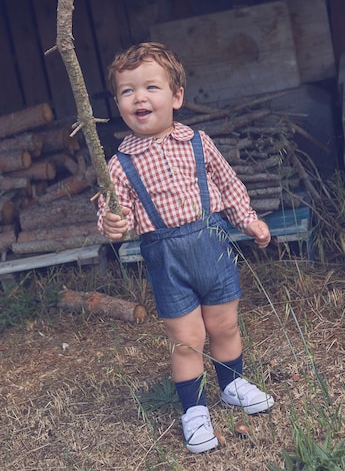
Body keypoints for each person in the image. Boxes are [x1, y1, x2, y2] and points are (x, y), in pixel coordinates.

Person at [97, 42, 274, 454]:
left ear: (176, 97)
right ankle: (194, 409)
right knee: (188, 338)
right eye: (127, 91)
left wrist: (249, 219)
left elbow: (229, 185)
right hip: (167, 261)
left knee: (224, 326)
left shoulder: (198, 142)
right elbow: (113, 215)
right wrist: (112, 223)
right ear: (118, 104)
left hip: (213, 247)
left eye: (151, 87)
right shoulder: (119, 164)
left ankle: (232, 384)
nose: (139, 98)